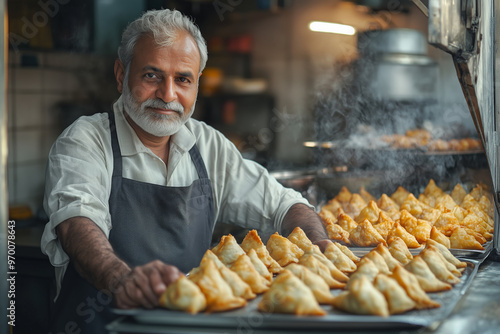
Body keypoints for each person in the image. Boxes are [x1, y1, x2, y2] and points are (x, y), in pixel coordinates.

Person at [41, 8, 330, 333]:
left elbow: (286, 205)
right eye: (152, 76)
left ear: (196, 85)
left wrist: (319, 246)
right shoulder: (86, 140)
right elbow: (76, 222)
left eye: (182, 79)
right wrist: (120, 278)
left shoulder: (209, 146)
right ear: (121, 75)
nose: (168, 95)